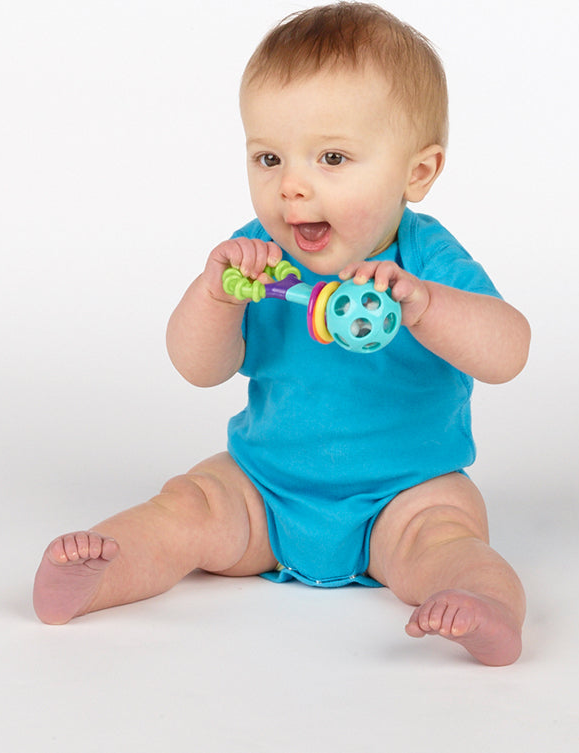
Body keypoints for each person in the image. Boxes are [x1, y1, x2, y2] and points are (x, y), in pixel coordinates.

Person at [32, 2, 530, 666]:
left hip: (406, 493)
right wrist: (215, 296)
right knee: (190, 502)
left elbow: (509, 351)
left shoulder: (425, 263)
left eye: (331, 157)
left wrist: (427, 307)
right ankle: (105, 567)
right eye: (269, 157)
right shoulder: (255, 257)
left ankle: (485, 606)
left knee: (450, 537)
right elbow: (198, 366)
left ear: (418, 172)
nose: (291, 187)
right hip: (263, 487)